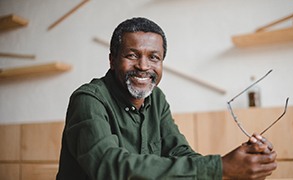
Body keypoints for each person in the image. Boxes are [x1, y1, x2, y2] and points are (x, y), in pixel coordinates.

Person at [56, 17, 277, 180]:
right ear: (112, 60)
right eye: (132, 55)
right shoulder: (88, 99)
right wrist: (219, 168)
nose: (143, 66)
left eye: (154, 57)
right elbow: (109, 166)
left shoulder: (156, 98)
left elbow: (179, 152)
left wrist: (244, 160)